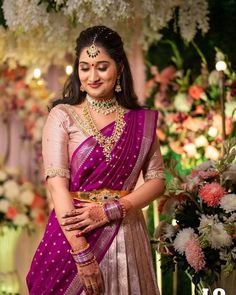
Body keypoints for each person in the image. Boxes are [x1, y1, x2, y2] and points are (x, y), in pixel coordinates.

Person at [26, 25, 165, 295]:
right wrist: (82, 255)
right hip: (76, 234)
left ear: (120, 68)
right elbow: (57, 186)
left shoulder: (142, 120)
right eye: (85, 67)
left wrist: (111, 210)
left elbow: (157, 181)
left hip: (126, 232)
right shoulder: (62, 115)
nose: (92, 76)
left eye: (102, 66)